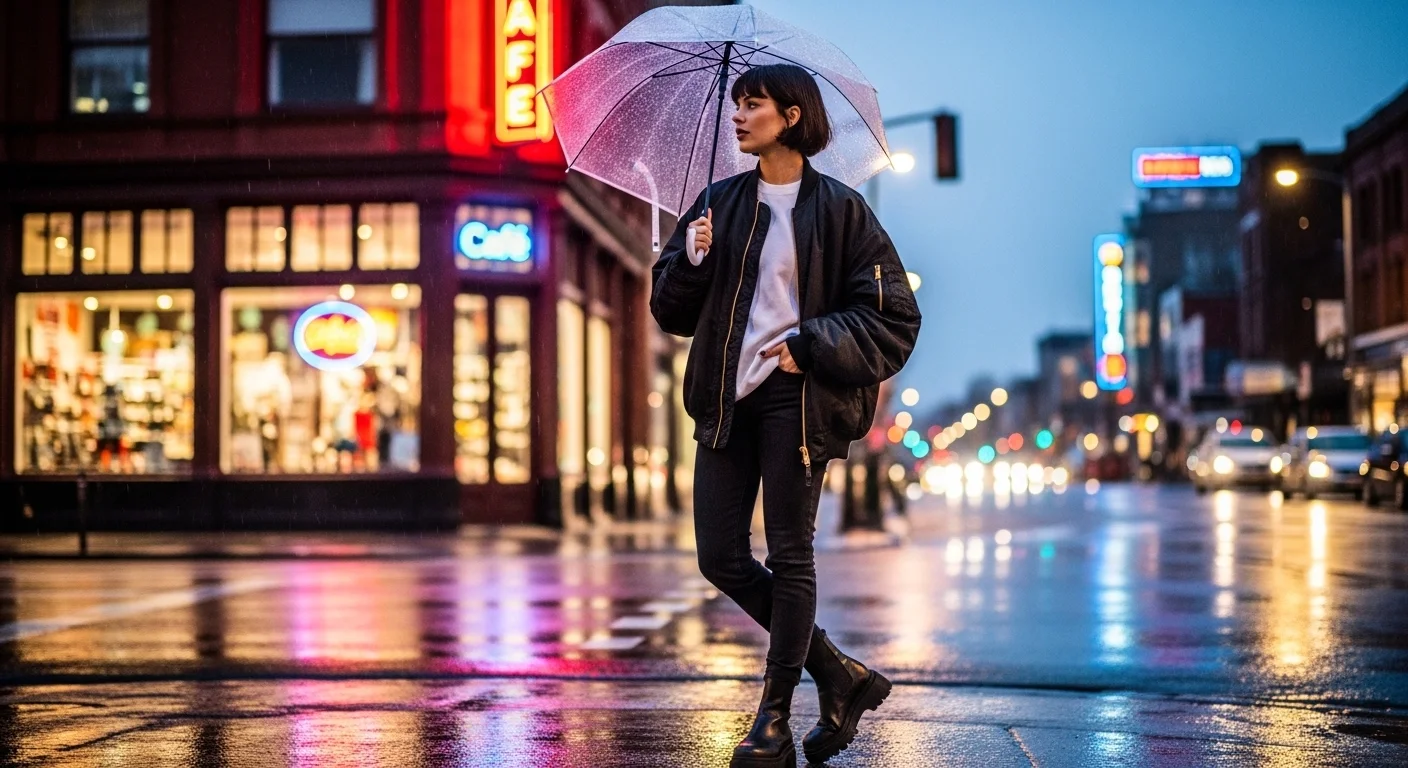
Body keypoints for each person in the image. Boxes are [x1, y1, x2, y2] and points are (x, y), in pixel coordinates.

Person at [650, 63, 922, 768]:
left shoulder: (841, 210)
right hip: (724, 399)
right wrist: (690, 259)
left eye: (755, 104)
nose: (740, 117)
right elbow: (669, 312)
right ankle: (839, 674)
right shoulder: (718, 203)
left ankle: (771, 719)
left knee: (790, 555)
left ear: (792, 115)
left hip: (795, 399)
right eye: (737, 105)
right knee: (720, 557)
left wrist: (810, 344)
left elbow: (893, 318)